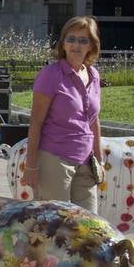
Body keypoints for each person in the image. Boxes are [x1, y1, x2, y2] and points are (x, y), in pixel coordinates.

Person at [21, 16, 104, 211]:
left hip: (86, 162)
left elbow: (93, 120)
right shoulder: (51, 74)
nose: (76, 45)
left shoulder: (93, 75)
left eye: (83, 40)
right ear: (63, 43)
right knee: (56, 223)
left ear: (91, 46)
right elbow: (36, 122)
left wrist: (99, 161)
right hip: (54, 160)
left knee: (89, 224)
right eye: (71, 39)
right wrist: (31, 166)